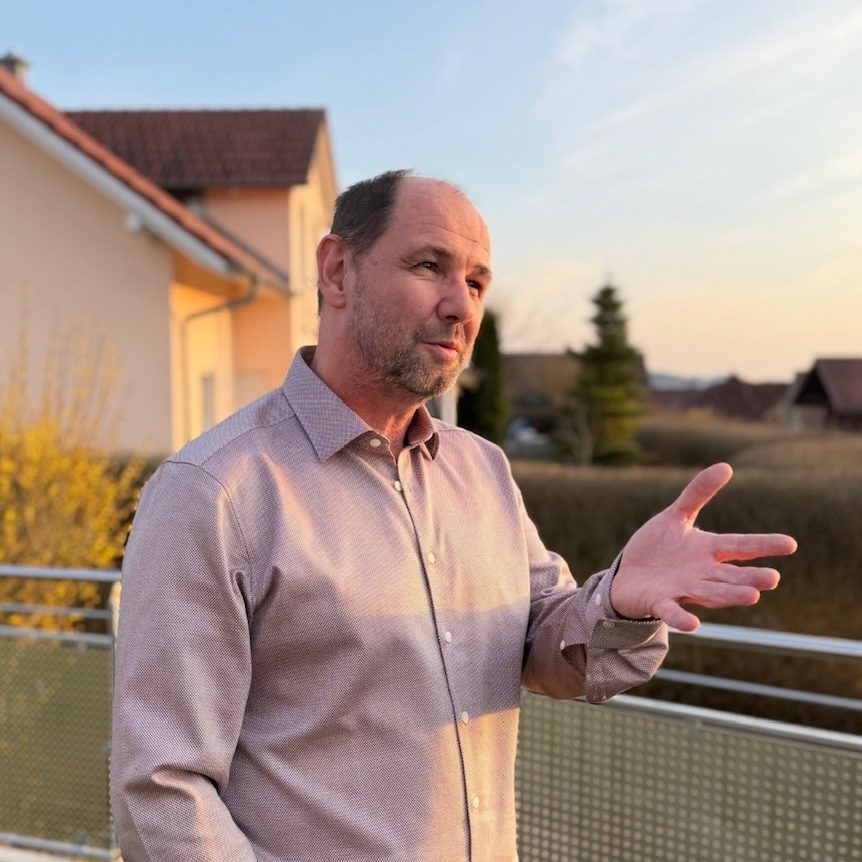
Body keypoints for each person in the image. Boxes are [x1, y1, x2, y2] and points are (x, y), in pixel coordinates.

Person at [111, 170, 796, 862]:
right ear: (338, 271)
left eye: (476, 282)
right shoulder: (214, 493)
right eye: (429, 266)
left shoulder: (483, 470)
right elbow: (163, 789)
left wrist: (618, 600)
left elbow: (548, 649)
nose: (460, 305)